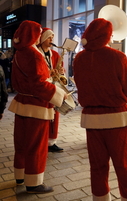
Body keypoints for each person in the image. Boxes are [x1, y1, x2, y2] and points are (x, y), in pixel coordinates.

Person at [73, 18, 127, 201]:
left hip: (92, 118)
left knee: (97, 165)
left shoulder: (79, 58)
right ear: (107, 35)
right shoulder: (117, 57)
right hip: (116, 118)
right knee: (125, 164)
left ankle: (100, 198)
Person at [8, 20, 67, 193]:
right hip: (37, 104)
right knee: (36, 145)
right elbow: (39, 84)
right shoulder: (33, 54)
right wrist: (59, 93)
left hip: (22, 103)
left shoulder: (19, 52)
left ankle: (20, 176)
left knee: (21, 143)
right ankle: (33, 182)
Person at [38, 28, 64, 153]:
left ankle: (51, 142)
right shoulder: (37, 54)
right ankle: (42, 141)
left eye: (52, 37)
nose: (51, 39)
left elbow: (60, 68)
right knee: (44, 115)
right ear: (42, 38)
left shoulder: (56, 54)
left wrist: (60, 72)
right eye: (49, 37)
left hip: (54, 87)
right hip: (43, 88)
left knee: (55, 115)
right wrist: (48, 73)